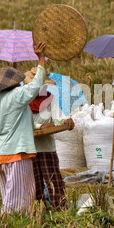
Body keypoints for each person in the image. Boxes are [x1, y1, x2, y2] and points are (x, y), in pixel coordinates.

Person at [0, 42, 47, 215]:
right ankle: (12, 225)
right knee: (19, 197)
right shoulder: (18, 95)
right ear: (15, 83)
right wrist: (41, 58)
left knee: (9, 192)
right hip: (18, 154)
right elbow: (36, 85)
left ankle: (11, 224)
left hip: (3, 154)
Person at [23, 67, 72, 210]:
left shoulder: (50, 99)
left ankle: (61, 210)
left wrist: (66, 121)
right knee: (34, 183)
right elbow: (22, 121)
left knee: (54, 181)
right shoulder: (24, 101)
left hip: (46, 147)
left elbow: (59, 117)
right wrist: (40, 126)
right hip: (29, 147)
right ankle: (38, 212)